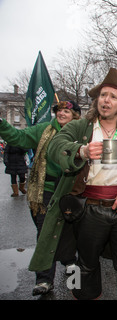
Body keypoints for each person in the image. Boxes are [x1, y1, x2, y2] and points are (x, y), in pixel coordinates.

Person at [28, 68, 117, 300]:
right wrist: (81, 151)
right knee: (84, 266)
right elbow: (56, 146)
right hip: (88, 209)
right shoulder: (82, 127)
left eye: (113, 97)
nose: (106, 100)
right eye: (103, 95)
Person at [0, 100, 80, 296]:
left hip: (72, 190)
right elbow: (18, 137)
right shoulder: (44, 130)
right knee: (45, 233)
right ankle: (44, 280)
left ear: (76, 115)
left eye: (66, 111)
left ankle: (72, 270)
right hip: (45, 189)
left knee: (71, 233)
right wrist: (1, 123)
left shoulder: (82, 132)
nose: (61, 113)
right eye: (59, 110)